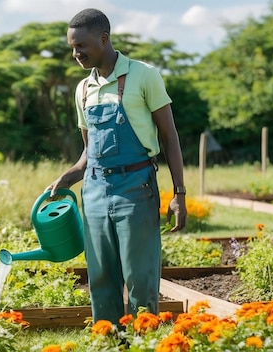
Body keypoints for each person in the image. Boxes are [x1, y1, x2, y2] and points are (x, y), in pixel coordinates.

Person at [47, 8, 187, 325]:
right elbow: (88, 153)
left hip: (136, 188)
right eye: (71, 47)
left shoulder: (144, 75)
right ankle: (107, 343)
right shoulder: (83, 90)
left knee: (140, 278)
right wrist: (68, 177)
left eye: (80, 46)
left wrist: (179, 193)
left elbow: (169, 136)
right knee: (101, 279)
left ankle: (143, 340)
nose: (75, 54)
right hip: (94, 192)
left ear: (104, 38)